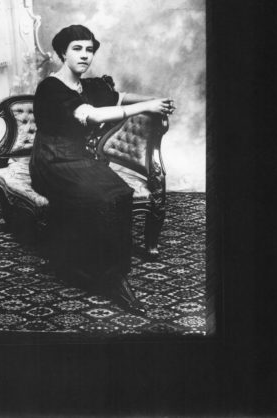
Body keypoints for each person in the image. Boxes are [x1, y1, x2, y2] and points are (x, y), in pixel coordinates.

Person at [30, 25, 175, 315]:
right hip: (52, 160)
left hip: (81, 157)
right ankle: (101, 276)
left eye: (89, 50)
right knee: (105, 197)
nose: (85, 55)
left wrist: (155, 101)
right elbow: (93, 116)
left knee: (121, 192)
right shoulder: (51, 88)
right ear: (62, 54)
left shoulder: (89, 86)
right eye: (77, 49)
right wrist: (146, 106)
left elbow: (121, 96)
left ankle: (110, 271)